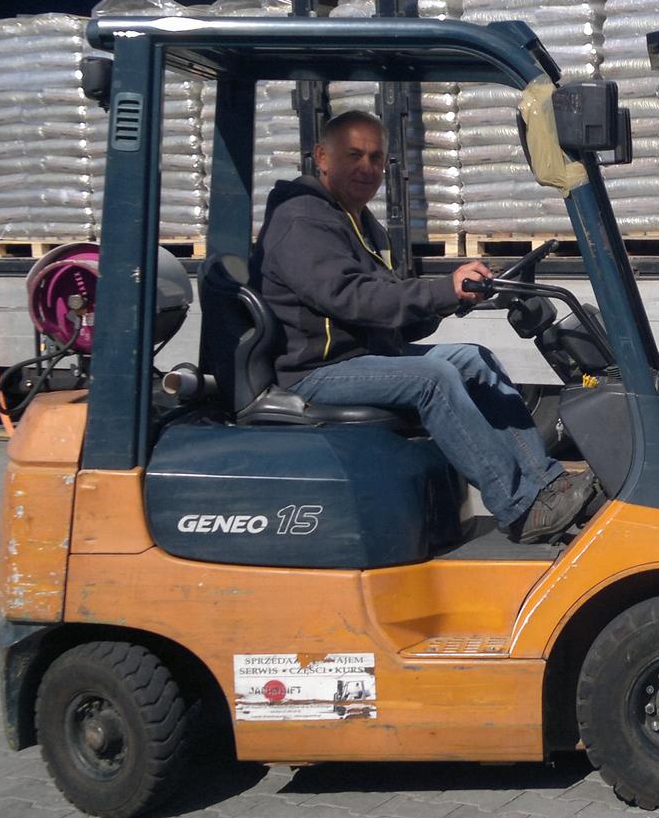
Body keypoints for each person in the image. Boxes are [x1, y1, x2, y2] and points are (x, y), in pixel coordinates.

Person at [250, 111, 597, 544]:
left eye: (376, 158)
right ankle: (521, 507)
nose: (367, 167)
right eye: (354, 155)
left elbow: (389, 311)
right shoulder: (302, 219)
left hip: (359, 358)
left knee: (473, 359)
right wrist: (440, 291)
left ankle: (545, 483)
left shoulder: (358, 222)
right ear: (322, 156)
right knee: (432, 377)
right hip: (314, 371)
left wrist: (454, 298)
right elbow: (353, 299)